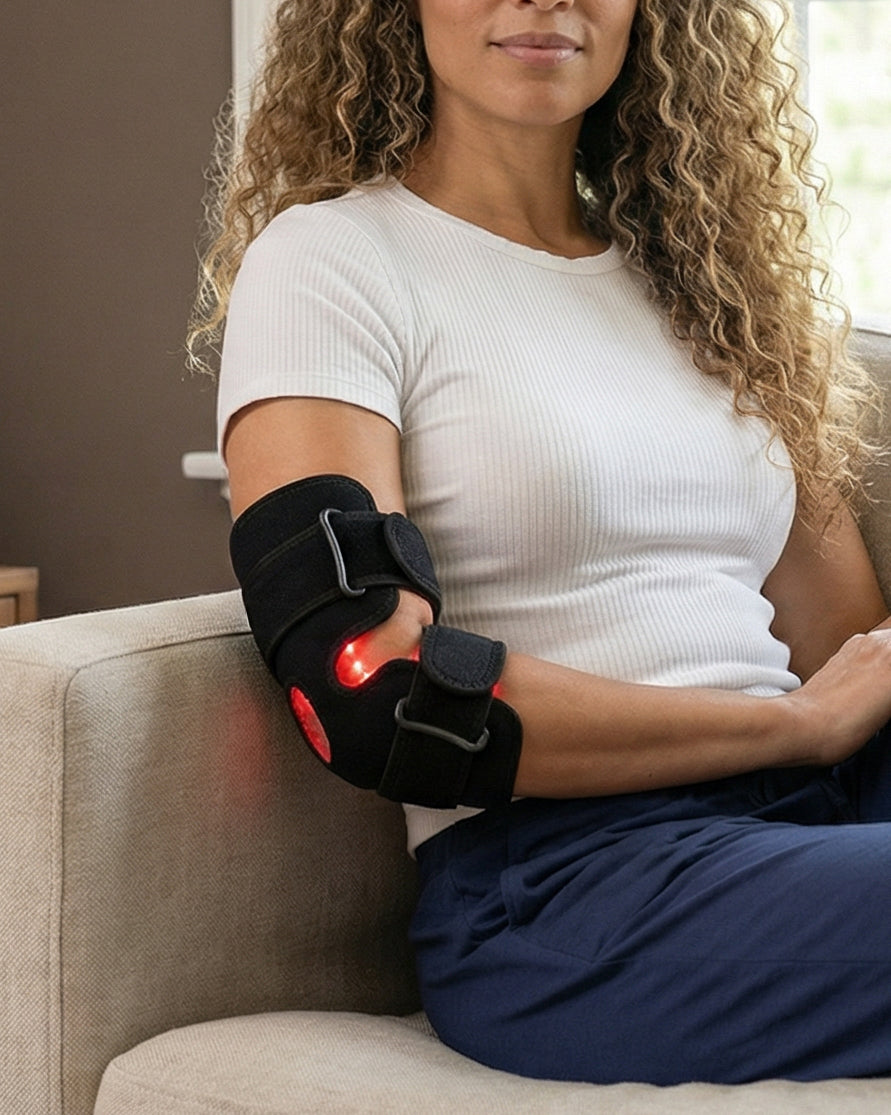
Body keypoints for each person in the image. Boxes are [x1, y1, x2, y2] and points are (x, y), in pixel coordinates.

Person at [189, 0, 891, 1087]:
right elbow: (373, 687)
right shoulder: (332, 263)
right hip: (567, 881)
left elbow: (850, 645)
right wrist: (783, 727)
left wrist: (813, 731)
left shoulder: (710, 282)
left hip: (812, 812)